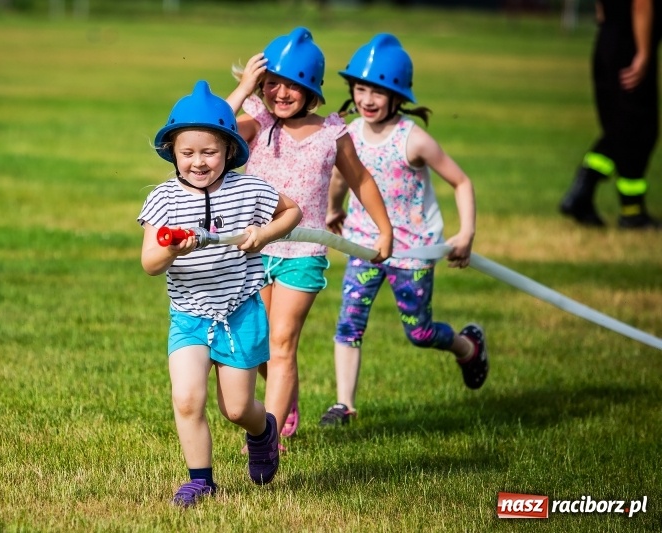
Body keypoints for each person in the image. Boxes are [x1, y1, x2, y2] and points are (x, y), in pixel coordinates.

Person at [226, 27, 394, 445]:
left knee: (282, 342)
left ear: (311, 88)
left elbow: (361, 180)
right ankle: (288, 402)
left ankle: (269, 438)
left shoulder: (332, 133)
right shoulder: (257, 122)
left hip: (303, 253)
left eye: (292, 86)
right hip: (255, 249)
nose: (281, 93)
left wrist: (384, 229)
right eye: (271, 84)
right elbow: (215, 131)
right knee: (262, 344)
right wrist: (245, 87)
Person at [138, 80, 303, 507]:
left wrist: (264, 233)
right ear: (172, 151)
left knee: (237, 409)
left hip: (240, 313)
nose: (198, 162)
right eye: (187, 152)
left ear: (230, 150)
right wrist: (171, 248)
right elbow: (150, 264)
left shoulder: (249, 190)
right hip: (189, 315)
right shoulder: (163, 200)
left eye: (209, 152)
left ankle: (262, 431)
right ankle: (201, 479)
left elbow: (293, 211)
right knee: (187, 398)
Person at [319, 34, 488, 426]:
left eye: (378, 91)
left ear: (399, 96)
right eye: (360, 89)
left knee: (420, 332)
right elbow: (344, 178)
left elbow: (461, 182)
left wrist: (466, 234)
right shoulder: (350, 133)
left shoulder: (413, 139)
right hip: (364, 244)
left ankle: (468, 346)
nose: (367, 99)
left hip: (412, 250)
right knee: (349, 323)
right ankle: (344, 404)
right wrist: (333, 209)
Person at [560, 0, 661, 229]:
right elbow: (641, 4)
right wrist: (644, 52)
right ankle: (622, 208)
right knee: (636, 129)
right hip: (629, 48)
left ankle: (601, 199)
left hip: (608, 40)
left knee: (621, 129)